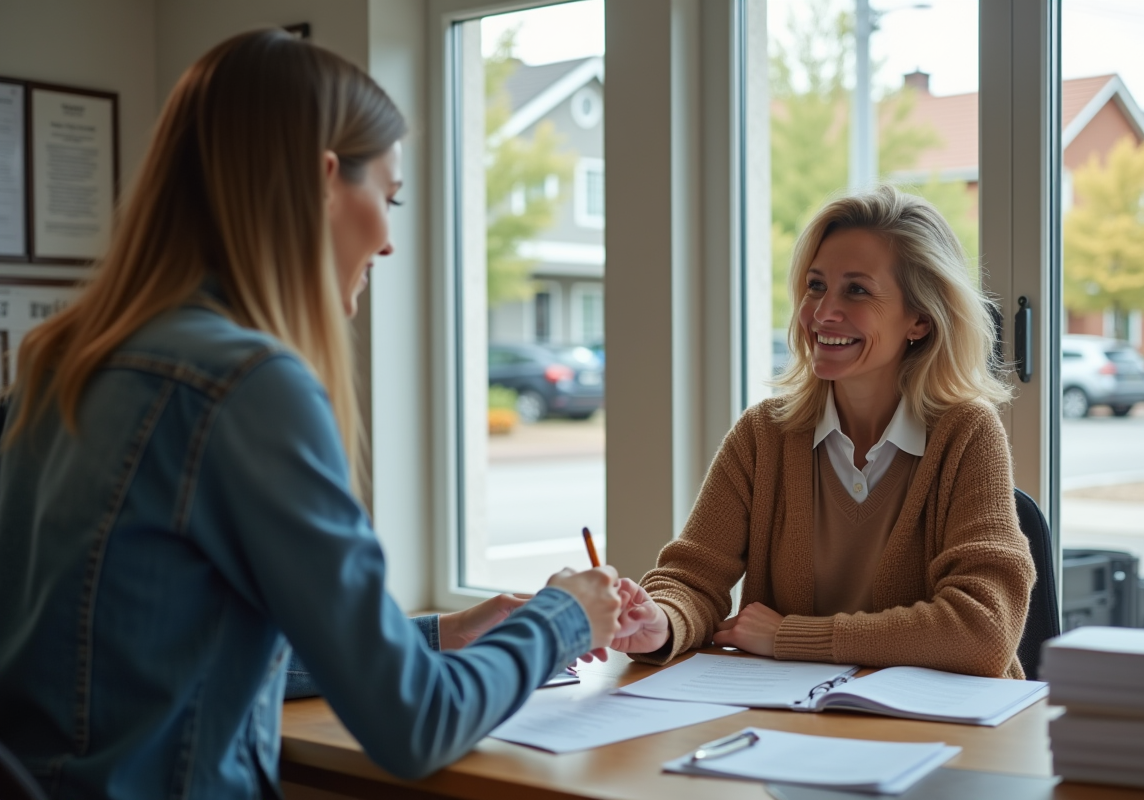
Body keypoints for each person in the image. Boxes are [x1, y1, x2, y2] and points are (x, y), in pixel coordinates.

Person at [0, 30, 625, 798]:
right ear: (326, 183)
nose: (390, 242)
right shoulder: (249, 386)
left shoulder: (57, 362)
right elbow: (414, 725)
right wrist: (566, 615)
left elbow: (162, 657)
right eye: (388, 198)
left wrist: (440, 635)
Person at [612, 186, 1036, 679]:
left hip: (938, 731)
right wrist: (660, 620)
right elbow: (692, 577)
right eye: (816, 286)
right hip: (792, 725)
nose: (821, 313)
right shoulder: (763, 435)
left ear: (919, 319)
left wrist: (790, 637)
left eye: (856, 290)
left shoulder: (966, 433)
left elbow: (983, 628)